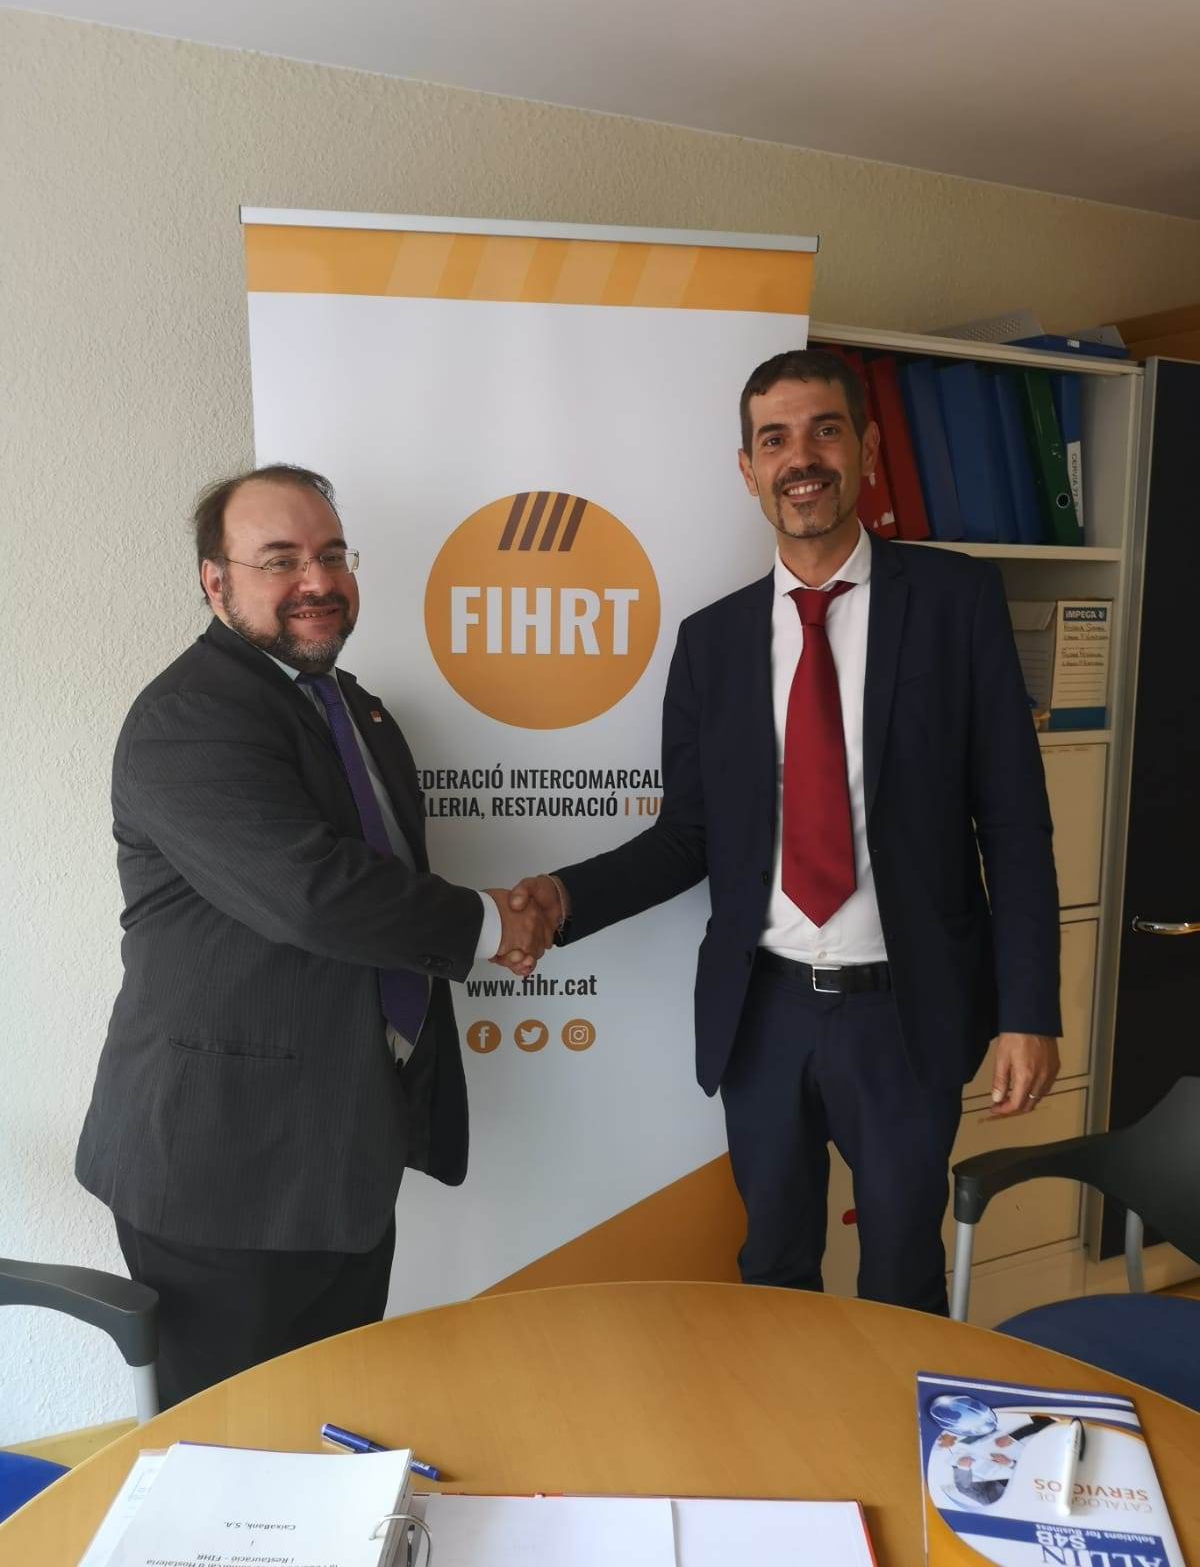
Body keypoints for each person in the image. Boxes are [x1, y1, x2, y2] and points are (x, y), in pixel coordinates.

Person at [510, 350, 1061, 1314]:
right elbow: (687, 835)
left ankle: (892, 1414)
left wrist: (1030, 1010)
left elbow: (1013, 824)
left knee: (900, 1276)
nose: (800, 458)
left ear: (868, 450)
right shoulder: (712, 643)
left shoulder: (956, 603)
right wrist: (564, 899)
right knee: (772, 1271)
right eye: (775, 440)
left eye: (824, 431)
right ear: (748, 469)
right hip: (762, 1014)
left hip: (905, 1011)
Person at [76, 464, 553, 1406]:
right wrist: (493, 921)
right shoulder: (189, 718)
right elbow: (312, 894)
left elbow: (381, 889)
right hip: (225, 1173)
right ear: (215, 581)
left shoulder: (355, 709)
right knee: (238, 1451)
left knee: (333, 1426)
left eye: (333, 555)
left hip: (342, 1145)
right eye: (280, 559)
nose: (317, 580)